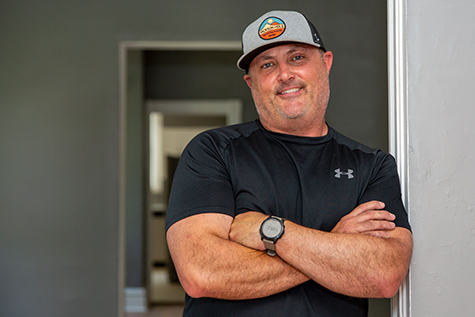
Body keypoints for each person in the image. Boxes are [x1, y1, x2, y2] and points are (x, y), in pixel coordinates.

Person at [165, 10, 413, 317]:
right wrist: (336, 244)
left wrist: (272, 232)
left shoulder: (372, 166)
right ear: (250, 82)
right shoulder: (213, 152)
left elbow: (384, 274)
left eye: (297, 57)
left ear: (326, 63)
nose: (285, 74)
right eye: (267, 64)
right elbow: (201, 273)